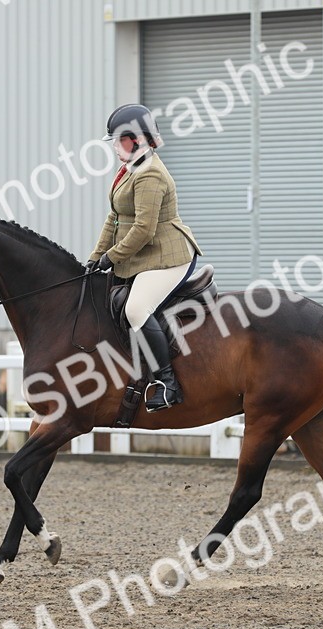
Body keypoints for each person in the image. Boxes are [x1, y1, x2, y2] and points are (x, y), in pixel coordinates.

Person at [85, 103, 202, 412]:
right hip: (145, 254)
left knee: (137, 309)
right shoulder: (129, 168)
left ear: (136, 139)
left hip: (169, 255)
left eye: (118, 140)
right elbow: (114, 219)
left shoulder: (150, 174)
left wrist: (111, 257)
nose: (113, 147)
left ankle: (168, 383)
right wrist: (95, 256)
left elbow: (143, 230)